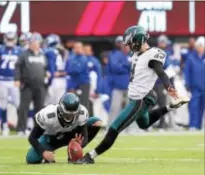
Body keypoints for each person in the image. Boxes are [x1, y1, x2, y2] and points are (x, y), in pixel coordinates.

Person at [75, 26, 189, 164]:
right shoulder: (136, 54)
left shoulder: (152, 56)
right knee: (144, 124)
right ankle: (170, 107)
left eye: (130, 42)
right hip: (143, 95)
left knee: (114, 128)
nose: (129, 46)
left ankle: (90, 157)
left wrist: (169, 86)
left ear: (139, 40)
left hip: (139, 100)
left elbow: (161, 72)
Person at [26, 93, 102, 164]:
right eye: (67, 115)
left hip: (72, 134)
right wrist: (43, 152)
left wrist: (79, 145)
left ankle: (72, 155)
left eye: (74, 115)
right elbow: (32, 138)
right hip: (52, 139)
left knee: (96, 122)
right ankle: (47, 156)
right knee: (31, 159)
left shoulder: (82, 113)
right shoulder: (48, 115)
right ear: (60, 111)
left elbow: (84, 137)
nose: (71, 118)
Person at [15, 32, 49, 136]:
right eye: (33, 42)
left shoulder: (42, 55)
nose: (35, 44)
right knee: (24, 107)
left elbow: (45, 68)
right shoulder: (24, 54)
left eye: (37, 42)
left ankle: (38, 129)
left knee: (40, 108)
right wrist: (17, 79)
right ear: (30, 43)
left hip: (40, 85)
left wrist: (46, 74)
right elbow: (18, 67)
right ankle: (21, 129)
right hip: (27, 85)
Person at [0, 32, 21, 136]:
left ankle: (20, 126)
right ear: (5, 39)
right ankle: (4, 126)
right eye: (8, 39)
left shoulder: (19, 51)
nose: (10, 41)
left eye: (11, 39)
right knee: (3, 104)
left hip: (14, 81)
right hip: (2, 80)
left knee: (18, 103)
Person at [107, 36, 130, 127]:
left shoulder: (129, 55)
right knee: (115, 108)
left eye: (123, 43)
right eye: (120, 42)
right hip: (117, 85)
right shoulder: (113, 54)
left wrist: (126, 66)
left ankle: (128, 128)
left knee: (129, 109)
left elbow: (133, 68)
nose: (122, 44)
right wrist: (127, 66)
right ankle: (111, 127)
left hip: (129, 86)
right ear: (117, 43)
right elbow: (115, 67)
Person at [184, 36, 205, 130]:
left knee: (201, 108)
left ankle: (199, 125)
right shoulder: (191, 58)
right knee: (194, 107)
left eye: (202, 46)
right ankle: (193, 125)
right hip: (195, 88)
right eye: (199, 45)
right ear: (196, 46)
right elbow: (187, 72)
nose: (200, 48)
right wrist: (187, 85)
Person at [65, 42, 90, 110]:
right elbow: (67, 68)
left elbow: (77, 70)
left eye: (79, 47)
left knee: (83, 103)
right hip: (74, 84)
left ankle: (85, 119)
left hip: (83, 84)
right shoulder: (71, 58)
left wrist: (70, 70)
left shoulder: (83, 58)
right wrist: (71, 70)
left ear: (82, 49)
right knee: (75, 103)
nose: (77, 49)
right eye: (76, 48)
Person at [45, 34, 68, 105]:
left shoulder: (49, 51)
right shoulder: (65, 51)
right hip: (63, 79)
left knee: (49, 104)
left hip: (53, 79)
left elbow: (51, 67)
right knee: (60, 103)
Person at [84, 43, 102, 116]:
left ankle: (96, 122)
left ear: (91, 51)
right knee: (85, 104)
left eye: (87, 50)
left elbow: (99, 75)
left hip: (93, 86)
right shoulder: (81, 59)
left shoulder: (95, 61)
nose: (85, 51)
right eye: (84, 50)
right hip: (84, 86)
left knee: (95, 104)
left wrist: (97, 90)